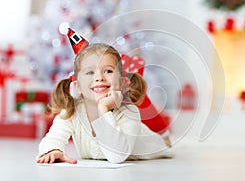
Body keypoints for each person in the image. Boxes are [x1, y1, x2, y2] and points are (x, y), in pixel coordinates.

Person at [36, 43, 172, 164]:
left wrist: (104, 109)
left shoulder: (129, 112)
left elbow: (117, 156)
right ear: (77, 86)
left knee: (163, 144)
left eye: (108, 71)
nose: (99, 77)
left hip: (150, 143)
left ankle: (166, 141)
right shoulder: (72, 111)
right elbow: (54, 137)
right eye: (90, 72)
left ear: (122, 82)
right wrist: (53, 150)